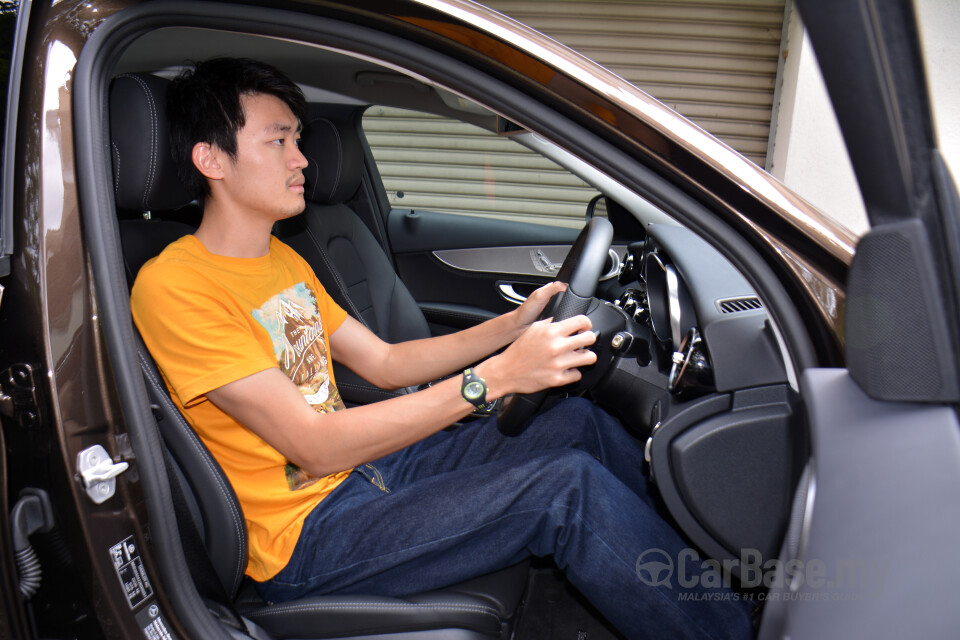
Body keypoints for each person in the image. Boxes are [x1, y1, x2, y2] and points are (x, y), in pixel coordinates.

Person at [131, 57, 752, 639]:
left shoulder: (281, 257)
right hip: (305, 537)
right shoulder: (175, 286)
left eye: (298, 140)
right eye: (279, 141)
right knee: (565, 490)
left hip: (366, 474)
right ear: (212, 159)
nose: (302, 160)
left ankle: (702, 586)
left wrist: (513, 328)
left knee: (576, 424)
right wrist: (495, 380)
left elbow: (384, 361)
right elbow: (311, 445)